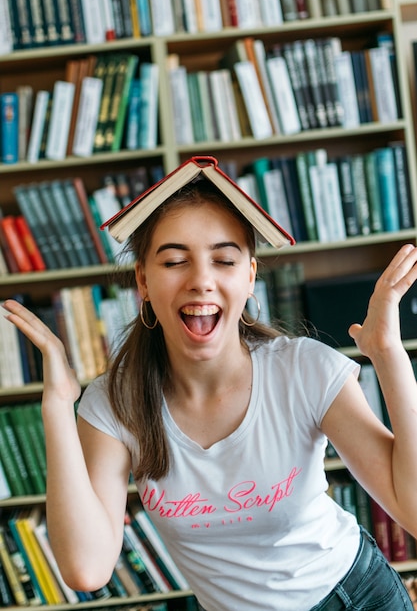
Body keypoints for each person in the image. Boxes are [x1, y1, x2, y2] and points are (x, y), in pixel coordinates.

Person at [3, 175, 417, 611]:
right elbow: (85, 569)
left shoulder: (303, 370)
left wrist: (388, 353)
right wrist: (56, 406)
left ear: (250, 275)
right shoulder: (114, 405)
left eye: (224, 260)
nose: (201, 280)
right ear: (142, 279)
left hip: (355, 599)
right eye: (174, 261)